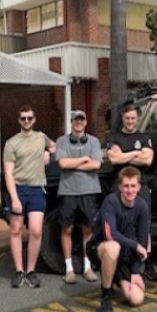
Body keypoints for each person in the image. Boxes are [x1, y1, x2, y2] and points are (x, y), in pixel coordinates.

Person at [3, 106, 56, 289]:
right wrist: (15, 198)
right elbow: (8, 174)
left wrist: (49, 152)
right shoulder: (11, 143)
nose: (26, 121)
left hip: (36, 189)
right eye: (23, 118)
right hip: (18, 189)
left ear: (34, 120)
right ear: (19, 120)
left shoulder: (41, 137)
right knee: (16, 229)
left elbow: (54, 146)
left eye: (29, 118)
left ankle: (31, 270)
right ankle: (19, 271)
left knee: (36, 231)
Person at [86, 167, 150, 312]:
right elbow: (111, 234)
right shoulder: (111, 201)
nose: (129, 190)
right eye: (126, 186)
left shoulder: (142, 206)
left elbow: (143, 240)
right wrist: (135, 246)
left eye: (133, 186)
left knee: (136, 299)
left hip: (123, 253)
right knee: (113, 247)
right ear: (120, 187)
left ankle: (116, 278)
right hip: (99, 247)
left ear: (139, 187)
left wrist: (135, 272)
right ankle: (106, 296)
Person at [106, 104, 157, 281]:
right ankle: (121, 263)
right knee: (120, 224)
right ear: (122, 118)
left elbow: (148, 159)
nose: (130, 121)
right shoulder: (114, 137)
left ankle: (146, 263)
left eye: (133, 118)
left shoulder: (144, 137)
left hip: (140, 186)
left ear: (137, 118)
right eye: (127, 118)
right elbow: (114, 159)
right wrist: (136, 153)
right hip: (119, 186)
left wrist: (125, 155)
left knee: (144, 225)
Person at [55, 110, 102, 284]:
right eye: (76, 119)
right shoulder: (62, 141)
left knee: (87, 230)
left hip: (89, 191)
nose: (78, 122)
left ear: (86, 122)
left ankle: (87, 267)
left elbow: (96, 164)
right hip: (68, 192)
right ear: (71, 122)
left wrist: (72, 165)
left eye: (81, 119)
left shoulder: (94, 141)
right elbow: (62, 163)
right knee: (66, 229)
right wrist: (84, 159)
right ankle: (69, 270)